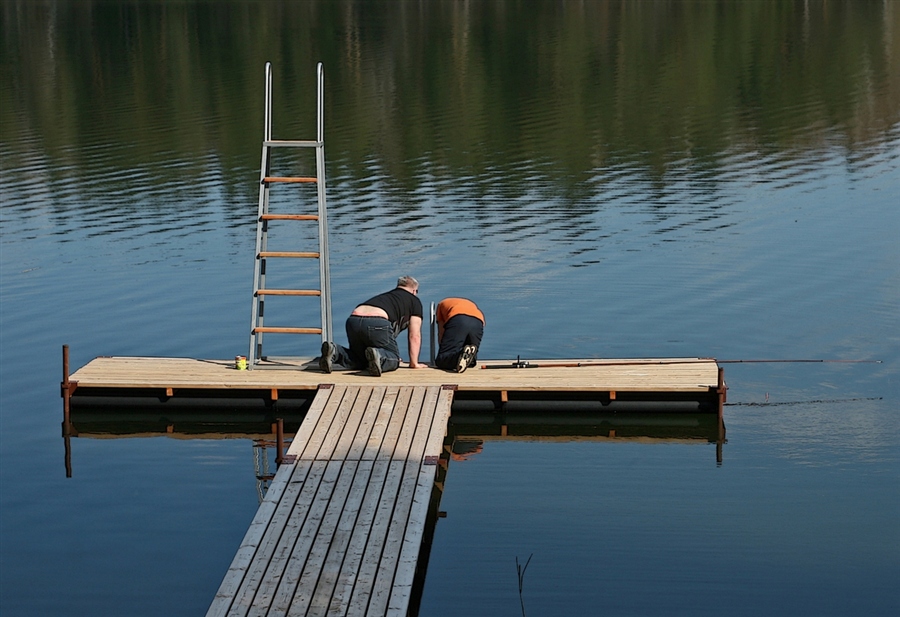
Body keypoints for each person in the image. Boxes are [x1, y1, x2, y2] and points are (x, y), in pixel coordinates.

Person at [319, 276, 427, 376]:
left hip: (353, 320)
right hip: (377, 321)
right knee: (394, 358)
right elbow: (414, 335)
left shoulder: (387, 296)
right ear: (414, 290)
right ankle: (380, 357)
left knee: (359, 360)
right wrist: (414, 363)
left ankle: (335, 351)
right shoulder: (414, 301)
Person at [434, 297, 484, 373]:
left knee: (442, 359)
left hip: (457, 318)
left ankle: (458, 356)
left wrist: (444, 349)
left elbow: (441, 332)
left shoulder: (441, 304)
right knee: (471, 359)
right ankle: (467, 356)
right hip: (478, 321)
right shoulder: (469, 303)